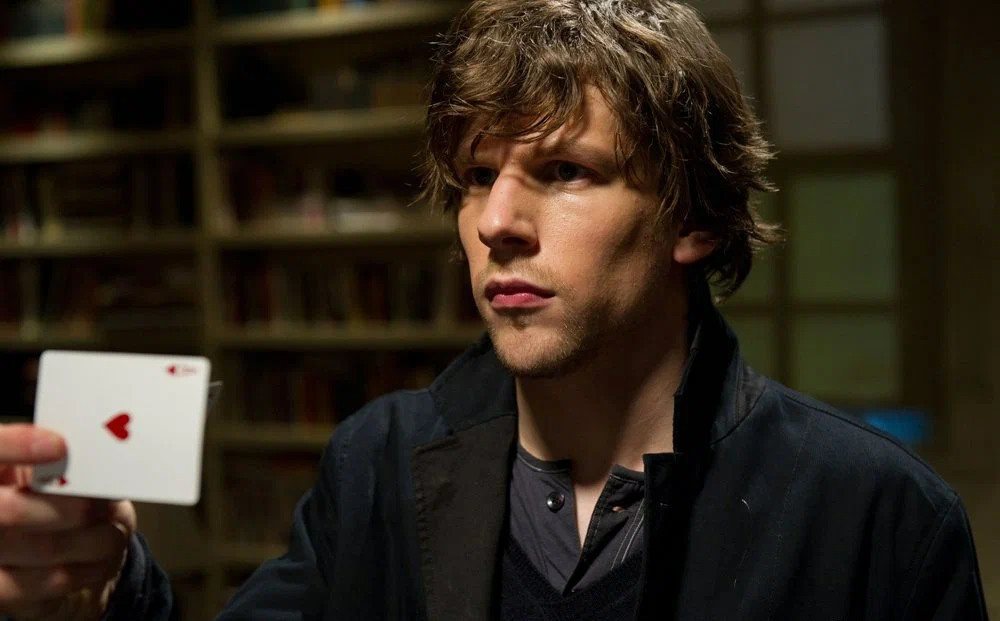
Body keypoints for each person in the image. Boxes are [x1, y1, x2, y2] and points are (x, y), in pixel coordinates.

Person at [0, 1, 988, 619]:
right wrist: (104, 593)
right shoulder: (376, 462)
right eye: (477, 177)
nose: (496, 222)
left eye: (564, 171)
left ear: (690, 217)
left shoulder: (878, 515)